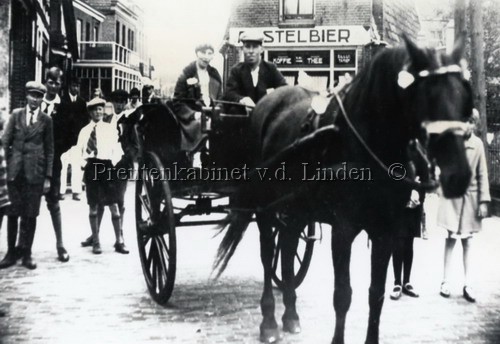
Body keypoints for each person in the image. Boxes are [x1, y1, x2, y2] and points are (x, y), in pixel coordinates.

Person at [437, 109, 490, 303]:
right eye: (464, 121)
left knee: (467, 241)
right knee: (451, 238)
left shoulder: (478, 145)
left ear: (476, 124)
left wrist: (484, 201)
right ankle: (445, 281)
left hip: (471, 198)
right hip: (453, 197)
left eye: (471, 122)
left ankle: (468, 283)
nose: (467, 125)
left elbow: (482, 173)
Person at [0, 81, 53, 270]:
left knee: (30, 215)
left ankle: (27, 253)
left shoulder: (46, 120)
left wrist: (47, 177)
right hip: (15, 173)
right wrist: (3, 169)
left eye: (39, 96)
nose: (35, 100)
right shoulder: (16, 115)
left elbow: (50, 150)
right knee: (12, 214)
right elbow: (5, 143)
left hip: (35, 174)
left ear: (42, 99)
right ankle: (10, 253)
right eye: (32, 95)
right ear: (26, 96)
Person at [80, 90, 130, 254]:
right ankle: (95, 241)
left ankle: (119, 240)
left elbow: (117, 149)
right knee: (93, 207)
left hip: (107, 168)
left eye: (100, 109)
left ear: (104, 110)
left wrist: (114, 167)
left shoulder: (109, 129)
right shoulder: (85, 131)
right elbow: (80, 152)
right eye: (94, 109)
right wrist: (83, 168)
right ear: (90, 112)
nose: (98, 112)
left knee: (114, 205)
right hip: (92, 168)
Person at [40, 67, 70, 262]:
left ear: (61, 85)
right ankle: (22, 246)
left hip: (54, 161)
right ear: (46, 82)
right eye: (50, 82)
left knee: (54, 203)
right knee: (28, 204)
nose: (53, 86)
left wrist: (54, 150)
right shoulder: (36, 102)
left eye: (57, 83)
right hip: (33, 161)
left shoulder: (65, 107)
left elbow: (69, 135)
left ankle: (60, 245)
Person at [173, 43, 223, 150]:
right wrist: (194, 114)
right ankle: (196, 155)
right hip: (191, 119)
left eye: (209, 53)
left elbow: (220, 98)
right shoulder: (186, 74)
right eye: (203, 52)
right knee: (203, 126)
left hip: (212, 115)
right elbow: (178, 102)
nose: (206, 56)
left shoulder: (215, 74)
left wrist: (217, 111)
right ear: (197, 53)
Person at [223, 31, 287, 113]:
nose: (251, 51)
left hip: (265, 117)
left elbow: (284, 88)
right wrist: (242, 100)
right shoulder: (237, 70)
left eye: (255, 47)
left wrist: (272, 99)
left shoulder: (270, 69)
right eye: (247, 47)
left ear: (262, 49)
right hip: (243, 117)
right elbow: (229, 93)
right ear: (242, 49)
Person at [390, 183, 425, 300]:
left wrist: (419, 194)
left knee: (409, 244)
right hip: (398, 204)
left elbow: (424, 177)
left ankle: (406, 282)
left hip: (413, 208)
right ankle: (397, 283)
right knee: (398, 243)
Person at [59, 76, 89, 201]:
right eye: (73, 86)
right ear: (69, 87)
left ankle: (76, 191)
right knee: (63, 165)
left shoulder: (82, 103)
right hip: (64, 140)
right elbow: (59, 121)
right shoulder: (62, 101)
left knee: (76, 165)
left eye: (77, 86)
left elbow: (85, 122)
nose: (75, 88)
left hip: (77, 139)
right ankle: (61, 191)